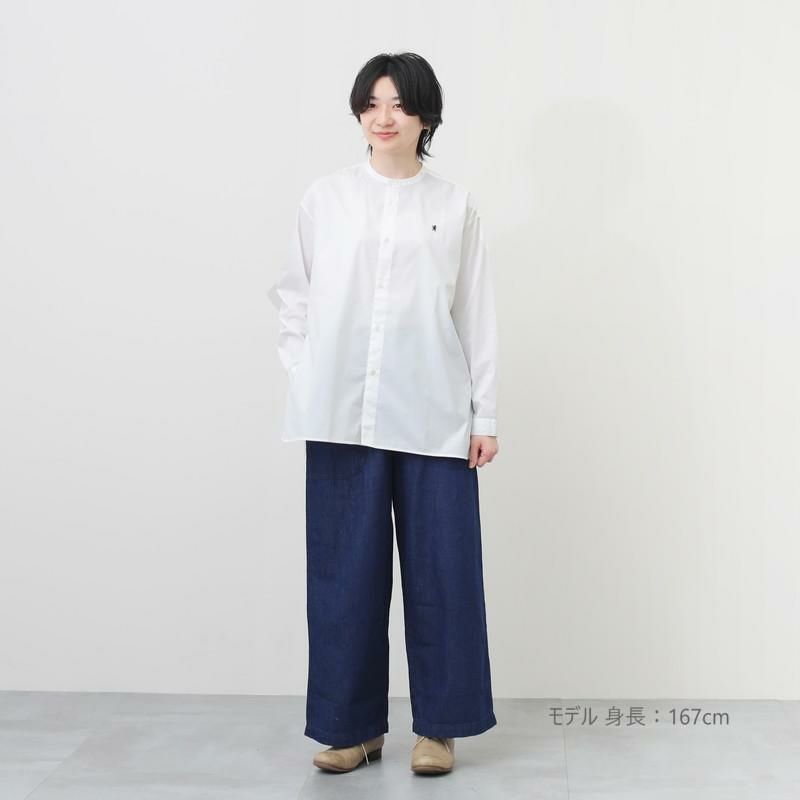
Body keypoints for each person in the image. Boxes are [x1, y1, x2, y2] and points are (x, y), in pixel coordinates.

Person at [269, 52, 499, 775]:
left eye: (398, 103)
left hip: (433, 413)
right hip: (341, 415)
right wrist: (305, 371)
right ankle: (351, 729)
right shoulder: (326, 199)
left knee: (444, 576)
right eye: (371, 103)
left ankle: (441, 729)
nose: (383, 116)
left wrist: (485, 416)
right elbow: (294, 295)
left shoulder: (454, 207)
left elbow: (476, 315)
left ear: (425, 114)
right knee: (344, 578)